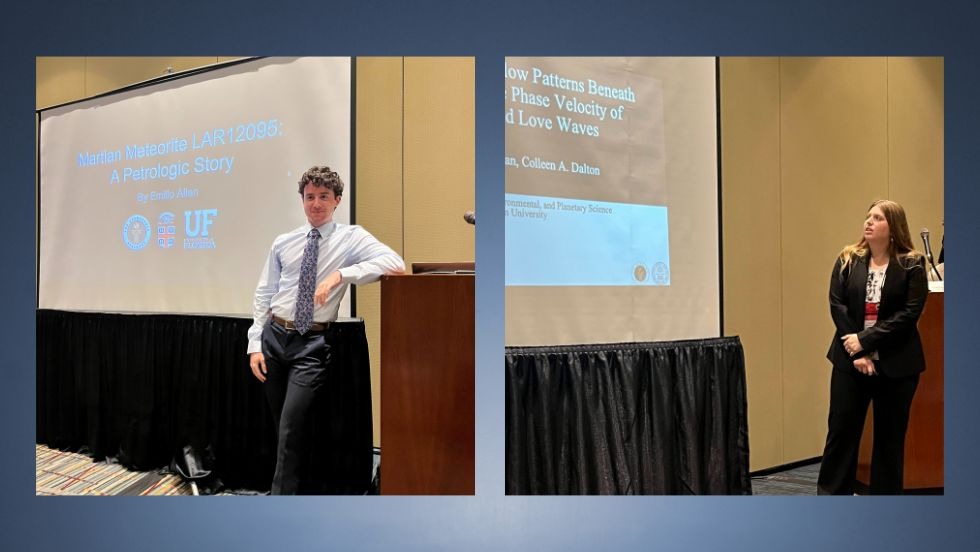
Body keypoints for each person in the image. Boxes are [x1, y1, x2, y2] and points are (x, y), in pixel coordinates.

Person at [246, 166, 404, 494]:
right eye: (309, 197)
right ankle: (296, 493)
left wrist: (341, 275)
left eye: (323, 197)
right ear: (302, 201)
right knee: (283, 430)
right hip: (274, 339)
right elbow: (264, 293)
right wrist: (255, 344)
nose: (316, 203)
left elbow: (395, 263)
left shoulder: (351, 237)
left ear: (337, 201)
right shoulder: (284, 242)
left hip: (311, 345)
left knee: (291, 429)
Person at [817, 199, 928, 495]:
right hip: (850, 363)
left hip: (897, 364)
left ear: (893, 227)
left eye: (877, 218)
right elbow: (837, 306)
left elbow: (909, 313)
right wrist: (858, 351)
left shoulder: (912, 264)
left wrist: (865, 340)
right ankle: (831, 499)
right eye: (867, 217)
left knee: (889, 440)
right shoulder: (848, 259)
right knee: (841, 433)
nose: (868, 222)